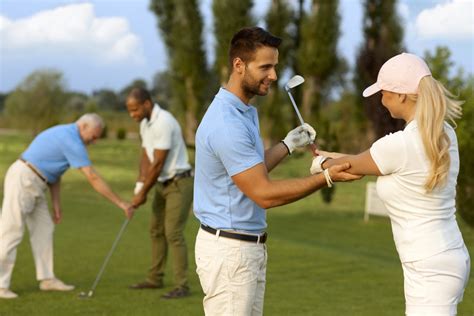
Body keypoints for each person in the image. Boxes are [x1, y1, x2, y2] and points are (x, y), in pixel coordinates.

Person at [193, 26, 360, 315]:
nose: (273, 75)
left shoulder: (242, 111)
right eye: (266, 67)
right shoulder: (227, 123)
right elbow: (264, 194)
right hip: (231, 251)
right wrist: (325, 177)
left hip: (244, 248)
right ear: (239, 65)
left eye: (275, 66)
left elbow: (249, 170)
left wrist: (287, 144)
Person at [310, 53, 470, 316]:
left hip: (428, 266)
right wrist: (326, 156)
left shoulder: (399, 145)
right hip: (445, 256)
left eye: (383, 93)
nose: (381, 100)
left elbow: (352, 166)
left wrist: (319, 164)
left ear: (401, 95)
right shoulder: (444, 133)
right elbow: (363, 160)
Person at [0, 113, 133, 299]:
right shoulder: (72, 140)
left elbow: (56, 171)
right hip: (24, 180)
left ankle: (47, 279)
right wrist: (121, 203)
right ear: (84, 127)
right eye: (93, 137)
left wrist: (56, 204)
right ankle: (1, 285)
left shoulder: (67, 133)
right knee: (11, 232)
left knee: (44, 229)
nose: (93, 142)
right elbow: (92, 177)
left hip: (37, 182)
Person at [126, 88, 194, 299]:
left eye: (135, 109)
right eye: (129, 111)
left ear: (147, 104)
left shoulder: (164, 121)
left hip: (179, 183)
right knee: (156, 230)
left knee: (172, 232)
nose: (132, 115)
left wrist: (142, 193)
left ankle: (182, 285)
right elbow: (146, 156)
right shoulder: (145, 124)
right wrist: (139, 185)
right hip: (162, 184)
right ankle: (155, 278)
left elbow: (158, 164)